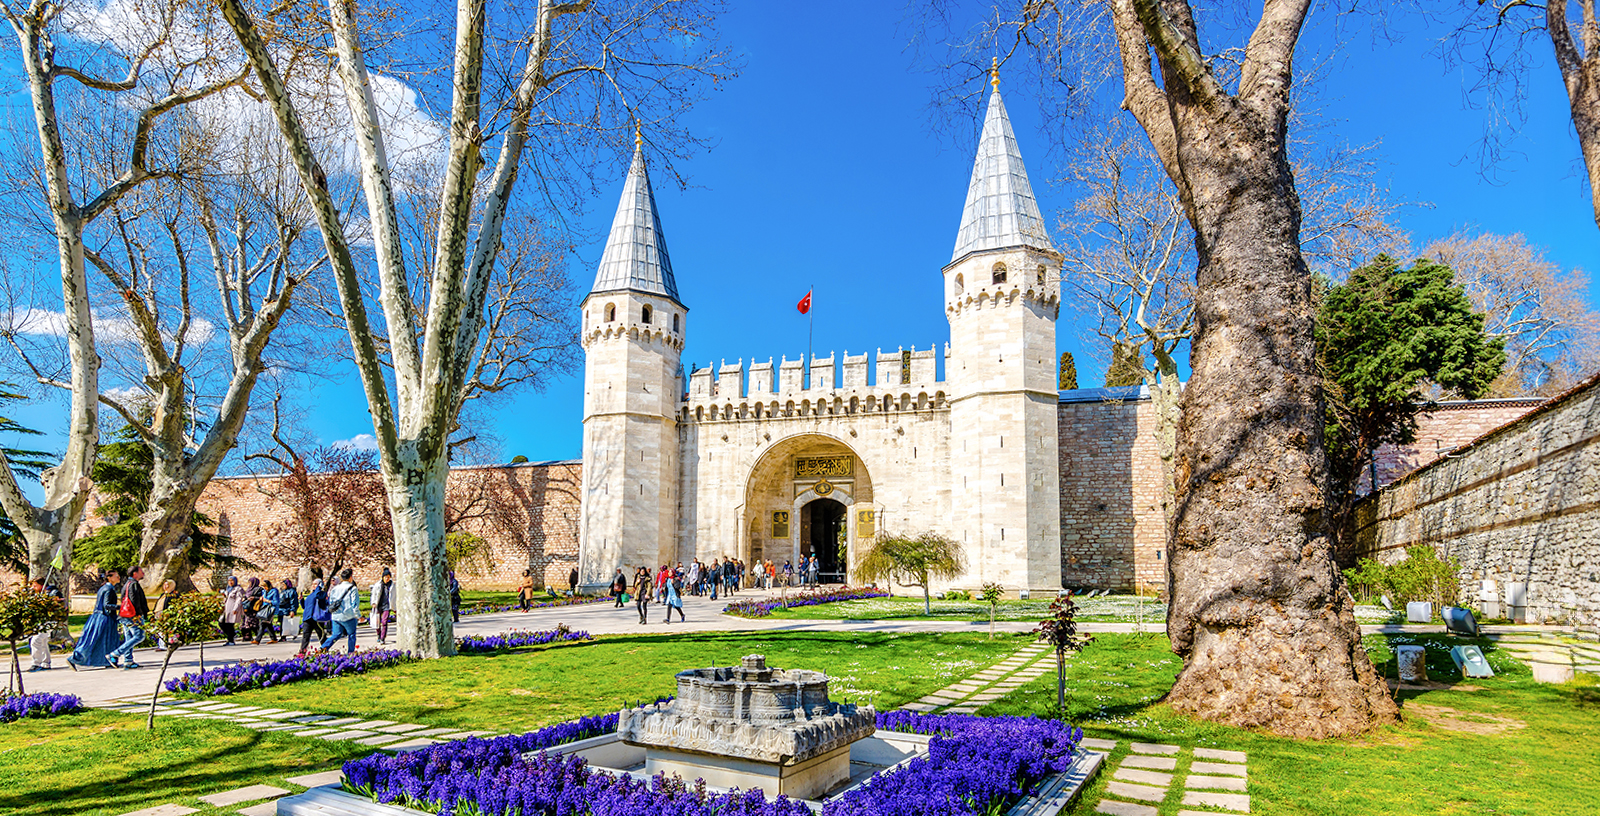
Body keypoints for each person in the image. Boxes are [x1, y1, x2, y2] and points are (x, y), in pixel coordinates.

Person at [69, 569, 122, 669]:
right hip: (105, 618)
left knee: (99, 640)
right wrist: (121, 607)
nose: (118, 578)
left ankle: (106, 661)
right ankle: (74, 658)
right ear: (109, 578)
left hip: (98, 616)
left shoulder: (103, 588)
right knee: (98, 640)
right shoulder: (109, 589)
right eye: (116, 576)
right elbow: (107, 605)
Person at [107, 565, 149, 669]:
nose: (143, 573)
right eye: (141, 571)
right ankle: (114, 654)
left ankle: (128, 661)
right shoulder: (133, 584)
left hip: (124, 615)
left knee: (129, 638)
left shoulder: (126, 584)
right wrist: (139, 615)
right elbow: (135, 601)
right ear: (135, 574)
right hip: (132, 615)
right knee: (140, 636)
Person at [321, 568, 361, 653]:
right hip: (348, 615)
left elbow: (331, 602)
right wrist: (358, 616)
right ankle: (350, 653)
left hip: (336, 615)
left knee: (336, 634)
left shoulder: (335, 588)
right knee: (351, 635)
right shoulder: (352, 588)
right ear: (350, 577)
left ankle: (324, 647)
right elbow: (354, 604)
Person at [26, 580, 55, 672]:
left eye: (35, 586)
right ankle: (45, 663)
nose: (33, 588)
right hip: (40, 622)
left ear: (42, 585)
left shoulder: (51, 594)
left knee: (36, 641)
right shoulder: (37, 595)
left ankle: (36, 663)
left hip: (49, 622)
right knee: (43, 642)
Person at [298, 574, 330, 655]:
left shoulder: (321, 593)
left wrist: (319, 587)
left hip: (317, 618)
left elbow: (318, 596)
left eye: (315, 584)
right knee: (306, 635)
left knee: (321, 635)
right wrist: (301, 600)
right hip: (308, 618)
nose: (313, 586)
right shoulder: (310, 595)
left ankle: (325, 649)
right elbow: (305, 606)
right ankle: (302, 651)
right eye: (313, 584)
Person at [370, 568, 394, 644]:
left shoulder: (392, 585)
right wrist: (373, 602)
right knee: (377, 622)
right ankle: (379, 634)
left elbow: (394, 596)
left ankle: (383, 638)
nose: (387, 579)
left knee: (384, 622)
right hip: (378, 605)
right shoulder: (378, 585)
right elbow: (374, 594)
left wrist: (394, 607)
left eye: (388, 577)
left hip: (387, 605)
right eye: (385, 577)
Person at [220, 575, 246, 645]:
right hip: (226, 609)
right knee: (221, 623)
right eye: (229, 581)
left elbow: (239, 599)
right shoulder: (228, 589)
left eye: (232, 581)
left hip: (232, 609)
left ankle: (230, 640)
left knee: (229, 624)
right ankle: (232, 635)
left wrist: (235, 608)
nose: (230, 582)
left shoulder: (238, 589)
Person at [243, 577, 266, 644]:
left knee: (253, 624)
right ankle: (248, 636)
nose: (249, 584)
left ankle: (258, 636)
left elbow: (261, 597)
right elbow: (246, 596)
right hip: (247, 608)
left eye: (250, 582)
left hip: (254, 608)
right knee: (246, 623)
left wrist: (254, 598)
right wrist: (244, 598)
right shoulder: (248, 589)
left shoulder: (259, 589)